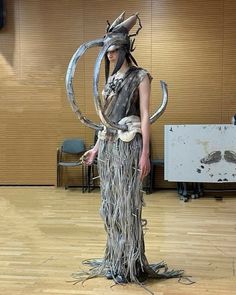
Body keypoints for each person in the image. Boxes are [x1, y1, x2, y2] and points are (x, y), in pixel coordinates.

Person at [70, 12, 183, 287]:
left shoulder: (141, 77)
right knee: (110, 206)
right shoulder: (109, 81)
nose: (109, 55)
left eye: (114, 50)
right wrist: (96, 149)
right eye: (106, 50)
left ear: (124, 49)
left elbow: (144, 115)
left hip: (129, 146)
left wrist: (144, 152)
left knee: (127, 205)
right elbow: (104, 118)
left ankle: (130, 262)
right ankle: (114, 259)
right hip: (109, 148)